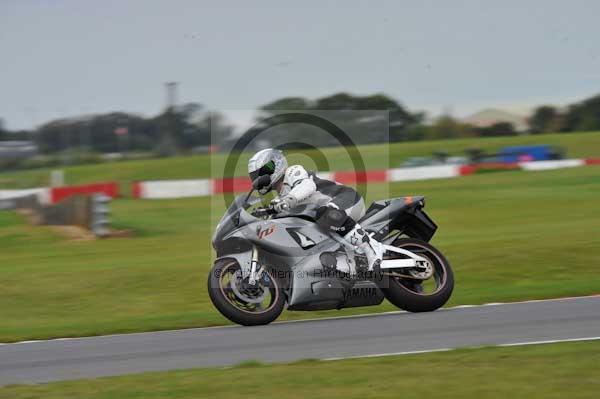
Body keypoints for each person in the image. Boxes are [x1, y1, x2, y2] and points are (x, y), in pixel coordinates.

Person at [248, 148, 384, 270]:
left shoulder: (293, 172)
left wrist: (288, 201)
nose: (258, 179)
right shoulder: (280, 198)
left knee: (326, 214)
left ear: (275, 164)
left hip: (347, 199)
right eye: (255, 177)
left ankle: (371, 248)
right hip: (332, 218)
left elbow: (307, 186)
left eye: (261, 173)